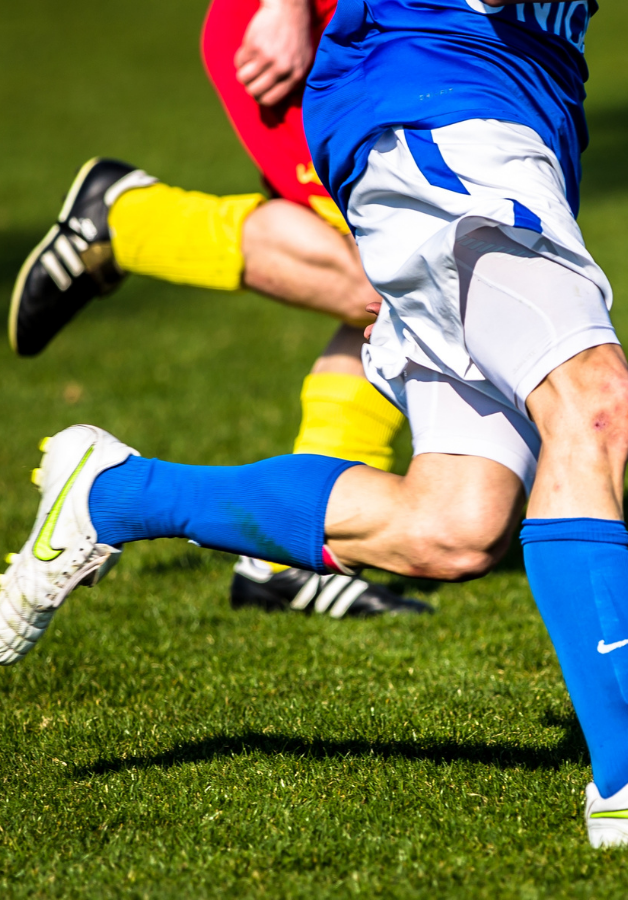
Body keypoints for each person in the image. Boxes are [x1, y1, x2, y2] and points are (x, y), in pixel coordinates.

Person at [0, 0, 628, 848]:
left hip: (508, 116)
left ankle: (118, 495)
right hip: (440, 104)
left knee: (454, 525)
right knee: (592, 400)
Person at [7, 0, 429, 618]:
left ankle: (290, 559)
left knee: (410, 280)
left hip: (392, 43)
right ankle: (130, 221)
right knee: (400, 282)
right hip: (307, 31)